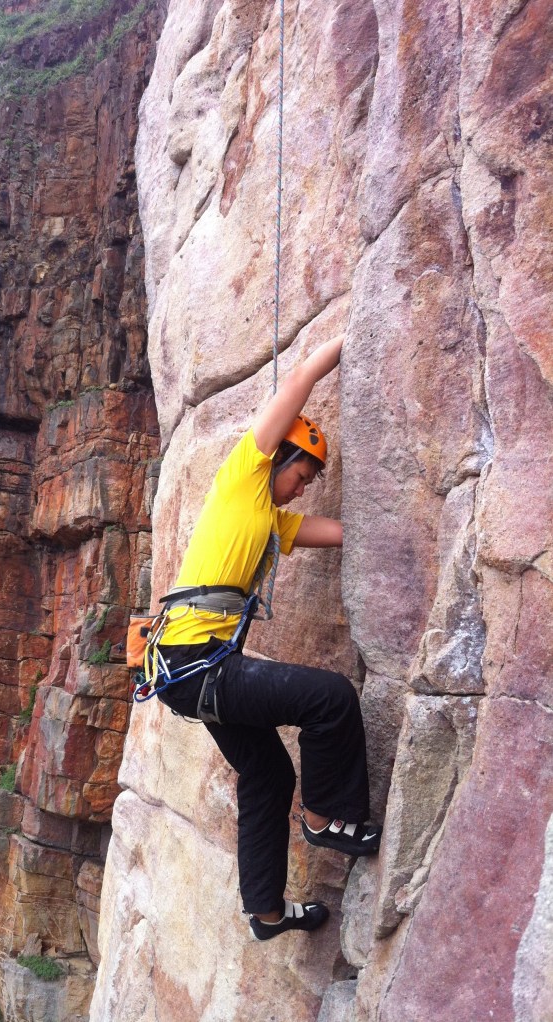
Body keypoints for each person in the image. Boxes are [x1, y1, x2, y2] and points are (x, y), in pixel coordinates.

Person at [154, 335, 381, 941]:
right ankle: (326, 818)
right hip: (198, 664)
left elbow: (341, 532)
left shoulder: (271, 521)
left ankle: (267, 913)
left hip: (190, 669)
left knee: (268, 775)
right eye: (302, 475)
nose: (303, 487)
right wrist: (346, 339)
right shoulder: (244, 476)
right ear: (279, 459)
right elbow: (299, 378)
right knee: (330, 699)